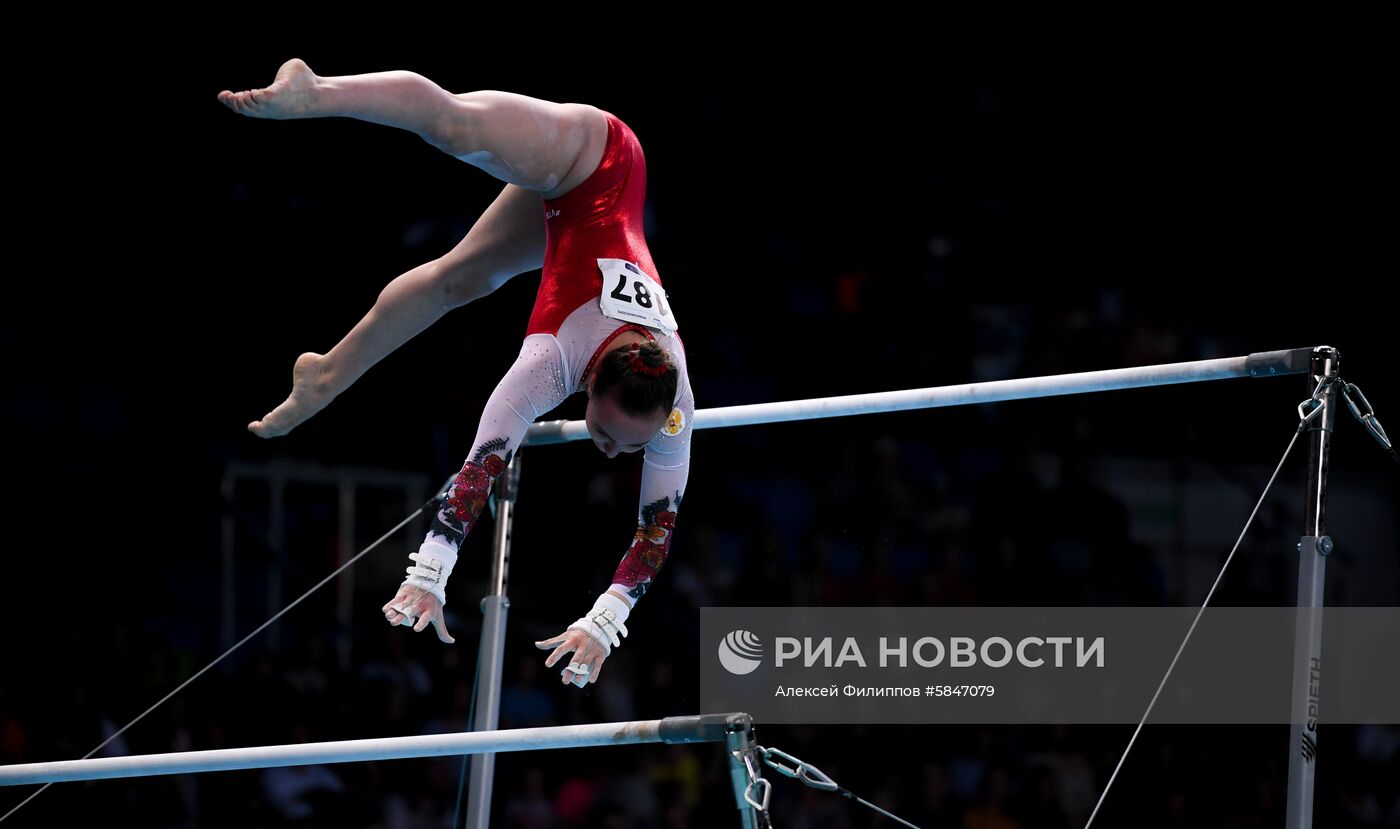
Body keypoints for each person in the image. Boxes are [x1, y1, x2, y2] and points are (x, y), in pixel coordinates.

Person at [220, 59, 694, 688]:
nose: (609, 452)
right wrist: (428, 575)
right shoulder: (549, 363)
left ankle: (326, 374)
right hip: (596, 156)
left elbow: (655, 531)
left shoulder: (673, 402)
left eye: (627, 446)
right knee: (452, 123)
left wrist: (602, 622)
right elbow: (479, 469)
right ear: (589, 381)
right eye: (606, 434)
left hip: (577, 223)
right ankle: (316, 92)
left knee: (458, 279)